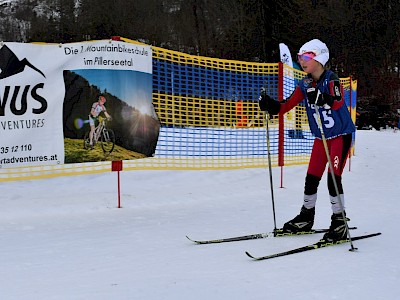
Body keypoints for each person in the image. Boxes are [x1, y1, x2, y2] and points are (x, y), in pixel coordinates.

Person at [258, 39, 356, 242]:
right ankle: (306, 216)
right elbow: (286, 105)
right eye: (300, 57)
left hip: (340, 136)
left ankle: (339, 221)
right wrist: (272, 106)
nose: (302, 61)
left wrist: (322, 97)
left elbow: (338, 102)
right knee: (311, 178)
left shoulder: (331, 80)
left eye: (307, 57)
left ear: (319, 57)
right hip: (321, 138)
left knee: (333, 179)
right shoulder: (304, 83)